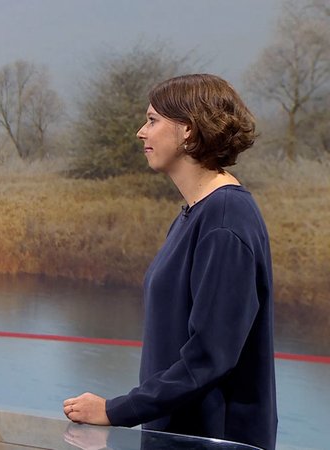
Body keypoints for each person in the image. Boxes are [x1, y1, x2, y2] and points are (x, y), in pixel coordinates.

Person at [63, 74, 277, 450]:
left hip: (215, 441)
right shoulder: (195, 214)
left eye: (152, 120)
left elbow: (210, 357)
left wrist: (117, 411)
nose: (140, 132)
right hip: (176, 436)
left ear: (188, 132)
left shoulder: (225, 220)